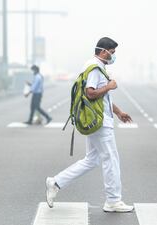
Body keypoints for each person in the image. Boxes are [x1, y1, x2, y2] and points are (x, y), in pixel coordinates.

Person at [45, 37, 134, 213]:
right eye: (112, 53)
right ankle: (113, 200)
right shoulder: (94, 68)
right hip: (100, 123)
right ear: (104, 52)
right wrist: (109, 87)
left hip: (98, 119)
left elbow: (101, 99)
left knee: (92, 159)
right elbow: (91, 93)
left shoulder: (95, 66)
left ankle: (56, 182)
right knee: (111, 159)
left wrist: (118, 112)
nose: (113, 56)